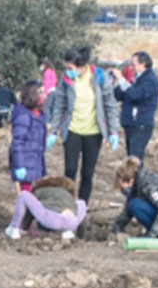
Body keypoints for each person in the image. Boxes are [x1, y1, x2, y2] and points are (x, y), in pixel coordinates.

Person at [46, 48, 113, 207]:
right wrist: (54, 130)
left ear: (81, 66)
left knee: (87, 174)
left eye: (70, 68)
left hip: (93, 133)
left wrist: (113, 130)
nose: (67, 71)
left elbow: (110, 105)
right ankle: (67, 204)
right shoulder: (66, 80)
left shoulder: (99, 78)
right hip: (72, 131)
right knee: (70, 171)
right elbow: (60, 105)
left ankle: (81, 208)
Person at [110, 157, 158, 237]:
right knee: (132, 204)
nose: (123, 191)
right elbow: (127, 211)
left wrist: (152, 235)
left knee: (134, 205)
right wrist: (114, 231)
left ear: (131, 181)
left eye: (123, 188)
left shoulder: (148, 185)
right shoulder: (137, 185)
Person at [3, 174, 85, 241]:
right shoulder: (66, 192)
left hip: (52, 220)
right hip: (72, 222)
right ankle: (68, 231)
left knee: (23, 195)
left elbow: (30, 209)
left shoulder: (40, 190)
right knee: (81, 202)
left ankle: (13, 228)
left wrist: (25, 227)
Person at [115, 50, 158, 163]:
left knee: (134, 161)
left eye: (133, 64)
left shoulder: (150, 81)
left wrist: (122, 80)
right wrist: (116, 83)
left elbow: (135, 95)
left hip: (140, 125)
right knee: (131, 159)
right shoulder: (137, 79)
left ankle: (136, 180)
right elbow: (121, 95)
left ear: (143, 64)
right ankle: (133, 180)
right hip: (131, 124)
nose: (131, 67)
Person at [8, 82, 46, 190]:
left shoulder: (39, 114)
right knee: (27, 196)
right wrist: (20, 165)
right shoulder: (24, 116)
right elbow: (17, 143)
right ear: (32, 94)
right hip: (25, 165)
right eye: (41, 92)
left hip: (35, 163)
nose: (44, 95)